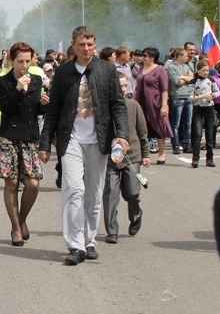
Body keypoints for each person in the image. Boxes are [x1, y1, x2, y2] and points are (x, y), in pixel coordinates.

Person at [39, 26, 130, 265]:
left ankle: (90, 241)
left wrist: (123, 135)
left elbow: (118, 104)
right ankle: (76, 245)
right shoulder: (63, 72)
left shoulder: (106, 70)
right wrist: (45, 142)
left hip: (99, 138)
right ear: (73, 45)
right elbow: (54, 109)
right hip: (70, 138)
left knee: (93, 193)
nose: (86, 48)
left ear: (95, 44)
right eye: (81, 44)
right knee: (73, 190)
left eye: (90, 44)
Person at [0, 42, 48, 246]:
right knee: (12, 183)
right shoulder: (3, 81)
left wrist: (42, 105)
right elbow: (6, 108)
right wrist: (18, 89)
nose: (25, 65)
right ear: (12, 61)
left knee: (33, 184)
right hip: (9, 136)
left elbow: (33, 110)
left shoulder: (37, 80)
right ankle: (15, 227)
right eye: (20, 61)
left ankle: (22, 219)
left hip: (30, 137)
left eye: (28, 61)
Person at [103, 73, 150, 244]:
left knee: (132, 192)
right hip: (110, 158)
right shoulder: (103, 107)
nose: (123, 89)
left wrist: (145, 154)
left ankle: (136, 215)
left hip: (132, 156)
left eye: (125, 85)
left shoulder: (133, 105)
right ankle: (112, 231)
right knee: (110, 194)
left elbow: (142, 132)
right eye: (119, 86)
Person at [134, 47, 173, 164]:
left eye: (145, 56)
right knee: (141, 127)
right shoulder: (141, 69)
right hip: (141, 102)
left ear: (152, 57)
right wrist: (133, 102)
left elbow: (164, 89)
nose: (143, 58)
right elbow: (137, 87)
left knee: (159, 126)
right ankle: (143, 154)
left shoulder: (160, 70)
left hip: (155, 102)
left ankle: (162, 153)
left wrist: (164, 105)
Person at [191, 60, 220, 168]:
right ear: (198, 70)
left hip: (209, 109)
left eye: (207, 70)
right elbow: (190, 97)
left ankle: (210, 158)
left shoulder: (211, 80)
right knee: (198, 134)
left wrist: (213, 95)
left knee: (210, 134)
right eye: (203, 70)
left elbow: (217, 92)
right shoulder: (194, 81)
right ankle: (195, 158)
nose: (206, 72)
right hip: (198, 109)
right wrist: (202, 96)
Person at [166, 47, 195, 154]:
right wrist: (186, 78)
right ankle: (176, 145)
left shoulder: (186, 66)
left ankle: (187, 144)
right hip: (177, 97)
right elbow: (176, 82)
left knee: (188, 123)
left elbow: (193, 78)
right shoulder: (171, 67)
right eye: (185, 56)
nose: (187, 58)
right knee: (176, 123)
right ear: (179, 56)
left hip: (188, 96)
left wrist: (182, 77)